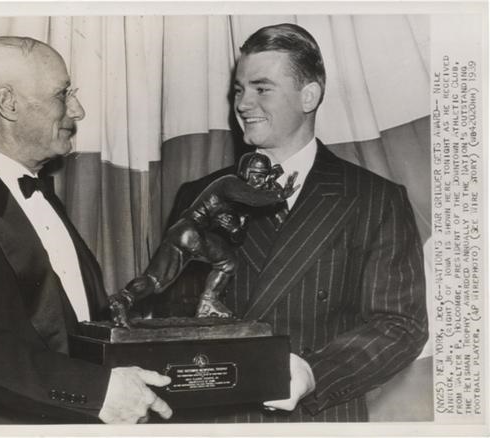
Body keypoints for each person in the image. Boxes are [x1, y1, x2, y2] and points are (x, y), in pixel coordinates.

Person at [160, 23, 428, 422]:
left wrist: (312, 373)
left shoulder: (375, 199)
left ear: (309, 96)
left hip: (317, 417)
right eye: (238, 90)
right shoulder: (199, 195)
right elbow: (175, 317)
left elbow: (401, 325)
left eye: (261, 88)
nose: (243, 104)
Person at [0, 36, 172, 424]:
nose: (77, 110)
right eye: (63, 94)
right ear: (8, 104)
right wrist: (97, 392)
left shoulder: (44, 198)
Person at [109, 152, 298, 327]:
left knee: (156, 281)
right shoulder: (230, 183)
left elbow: (238, 236)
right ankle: (208, 301)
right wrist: (279, 194)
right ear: (244, 173)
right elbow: (253, 196)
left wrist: (234, 228)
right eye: (256, 175)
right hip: (192, 231)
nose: (260, 181)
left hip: (182, 232)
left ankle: (124, 298)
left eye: (263, 176)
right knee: (228, 262)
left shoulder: (242, 205)